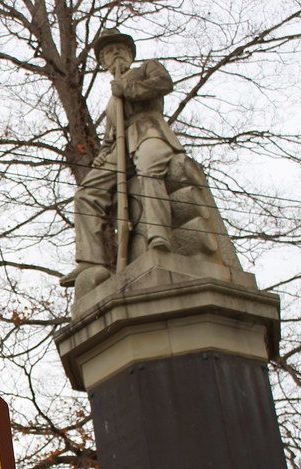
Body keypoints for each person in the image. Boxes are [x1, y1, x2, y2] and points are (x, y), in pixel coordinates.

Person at [60, 29, 185, 287]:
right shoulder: (111, 99)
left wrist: (126, 88)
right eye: (107, 52)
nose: (114, 54)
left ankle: (158, 235)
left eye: (119, 49)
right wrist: (102, 157)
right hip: (118, 150)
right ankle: (90, 262)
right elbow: (109, 138)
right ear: (103, 62)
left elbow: (163, 84)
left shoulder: (145, 69)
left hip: (147, 132)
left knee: (150, 169)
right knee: (86, 194)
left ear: (129, 53)